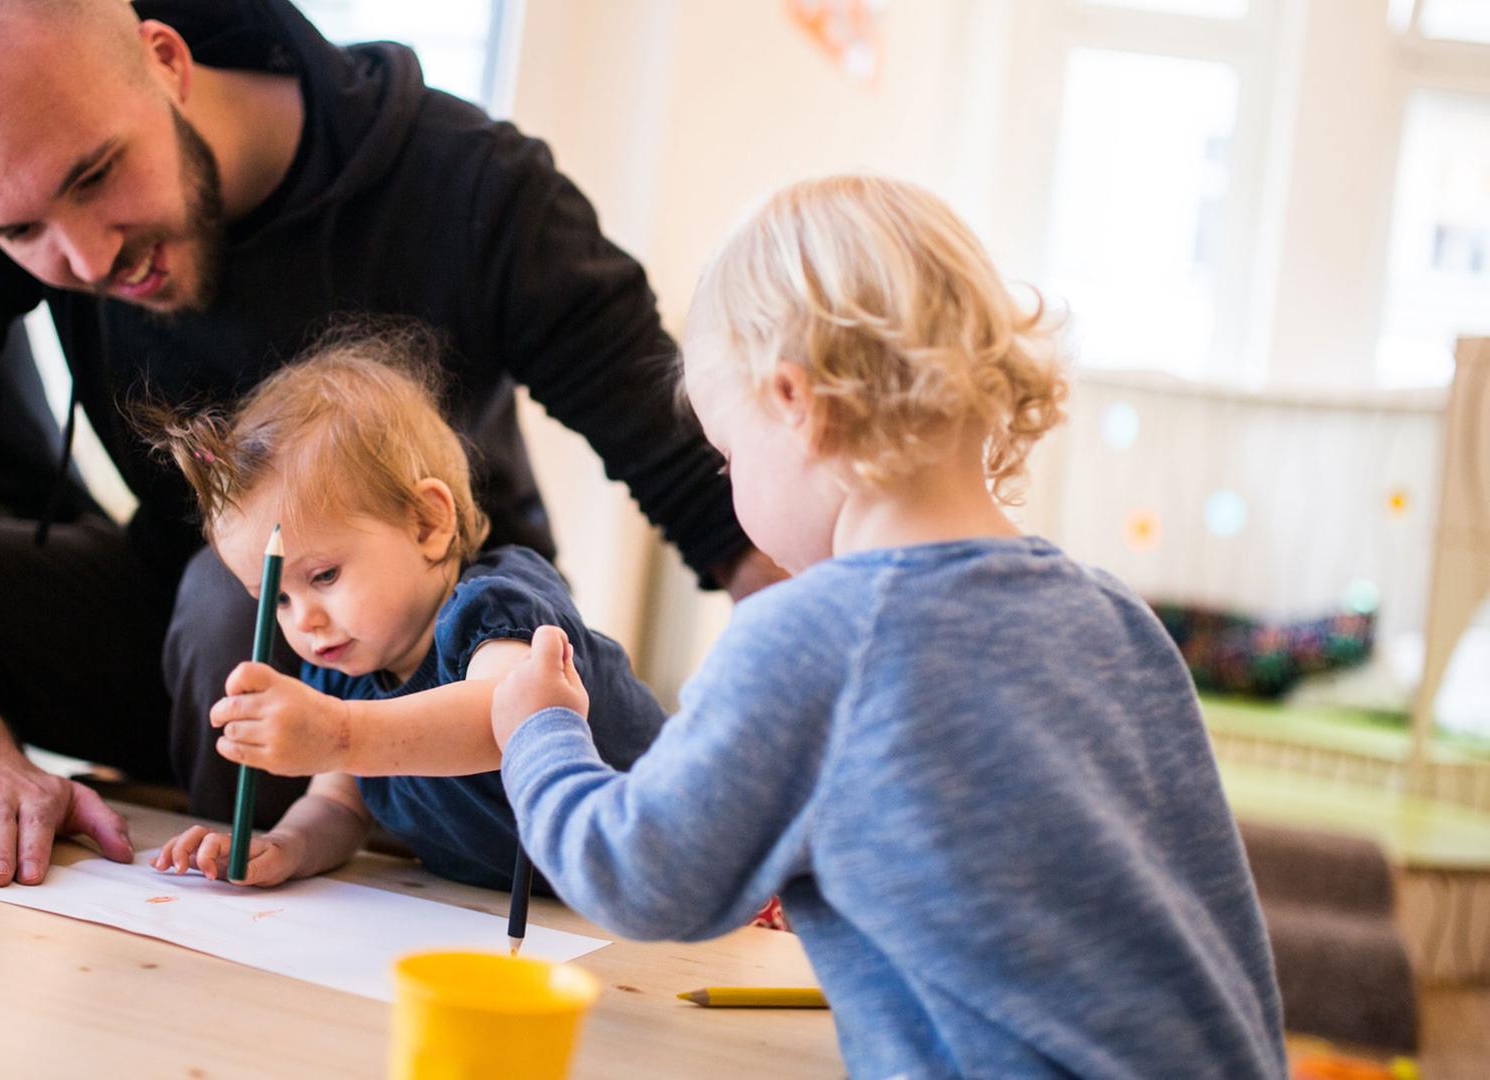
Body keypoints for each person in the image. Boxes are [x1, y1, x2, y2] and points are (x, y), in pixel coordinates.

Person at [0, 0, 775, 890]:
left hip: (431, 664)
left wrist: (804, 763)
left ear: (167, 60)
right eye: (22, 234)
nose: (89, 255)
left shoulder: (477, 191)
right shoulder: (21, 183)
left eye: (101, 175)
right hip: (178, 632)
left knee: (231, 597)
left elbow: (718, 498)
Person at [489, 175, 1288, 1076]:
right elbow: (1214, 916)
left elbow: (639, 875)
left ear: (796, 402)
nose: (728, 488)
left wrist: (539, 731)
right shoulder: (1116, 617)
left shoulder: (814, 639)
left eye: (727, 456)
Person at [142, 333, 666, 889]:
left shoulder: (494, 603)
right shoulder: (347, 674)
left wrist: (339, 734)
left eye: (324, 575)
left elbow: (511, 719)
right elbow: (340, 808)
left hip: (685, 870)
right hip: (561, 917)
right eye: (278, 598)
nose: (304, 620)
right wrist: (284, 846)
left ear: (427, 524)